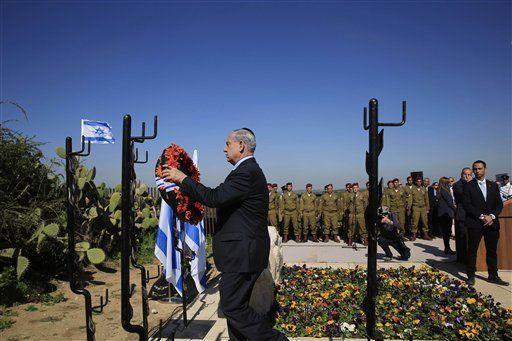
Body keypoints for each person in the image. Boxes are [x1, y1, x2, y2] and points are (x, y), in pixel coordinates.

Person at [162, 128, 287, 340]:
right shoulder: (246, 171)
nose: (224, 148)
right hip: (242, 253)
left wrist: (182, 178)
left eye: (227, 143)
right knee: (236, 307)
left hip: (243, 255)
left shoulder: (247, 172)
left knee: (232, 307)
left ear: (241, 145)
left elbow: (215, 197)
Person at [463, 160, 508, 286]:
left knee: (492, 250)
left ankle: (493, 275)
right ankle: (471, 276)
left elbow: (499, 204)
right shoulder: (468, 185)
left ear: (485, 169)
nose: (477, 171)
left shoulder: (492, 185)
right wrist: (482, 216)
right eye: (475, 169)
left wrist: (492, 216)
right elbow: (467, 205)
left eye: (480, 168)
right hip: (475, 223)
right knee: (472, 250)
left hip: (491, 223)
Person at [453, 168, 472, 263]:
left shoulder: (473, 184)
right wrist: (469, 184)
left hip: (472, 215)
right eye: (465, 174)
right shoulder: (457, 185)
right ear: (461, 174)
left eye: (469, 174)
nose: (467, 176)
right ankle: (462, 258)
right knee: (462, 237)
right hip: (462, 214)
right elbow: (463, 195)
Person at [437, 177, 456, 255]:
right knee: (447, 232)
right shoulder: (445, 190)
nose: (449, 183)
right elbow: (449, 202)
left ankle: (447, 248)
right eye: (448, 182)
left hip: (442, 213)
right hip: (446, 213)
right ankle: (447, 248)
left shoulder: (440, 190)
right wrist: (455, 210)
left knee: (446, 232)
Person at [410, 177, 432, 241]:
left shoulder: (424, 189)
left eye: (420, 181)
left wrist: (428, 206)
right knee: (415, 221)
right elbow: (410, 199)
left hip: (423, 207)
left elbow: (426, 199)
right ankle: (414, 235)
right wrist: (409, 207)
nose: (419, 182)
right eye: (418, 181)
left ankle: (426, 235)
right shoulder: (413, 189)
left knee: (425, 221)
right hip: (416, 207)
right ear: (416, 182)